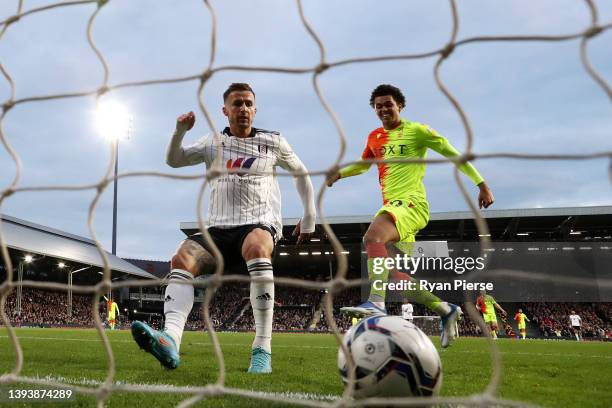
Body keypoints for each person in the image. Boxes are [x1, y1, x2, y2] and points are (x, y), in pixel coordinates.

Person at [131, 83, 316, 373]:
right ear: (225, 110)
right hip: (218, 229)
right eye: (237, 104)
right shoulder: (212, 141)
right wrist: (180, 131)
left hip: (258, 223)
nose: (243, 109)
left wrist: (309, 217)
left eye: (248, 104)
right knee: (181, 258)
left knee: (257, 246)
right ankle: (170, 341)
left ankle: (262, 349)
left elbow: (302, 174)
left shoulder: (274, 142)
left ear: (255, 110)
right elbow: (174, 160)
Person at [327, 84, 494, 347]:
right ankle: (445, 309)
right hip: (396, 207)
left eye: (388, 104)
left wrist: (481, 183)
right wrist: (340, 173)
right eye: (378, 105)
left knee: (372, 237)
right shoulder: (375, 137)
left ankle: (376, 303)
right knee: (395, 275)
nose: (383, 109)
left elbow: (453, 154)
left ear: (400, 106)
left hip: (412, 205)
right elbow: (364, 164)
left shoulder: (417, 131)